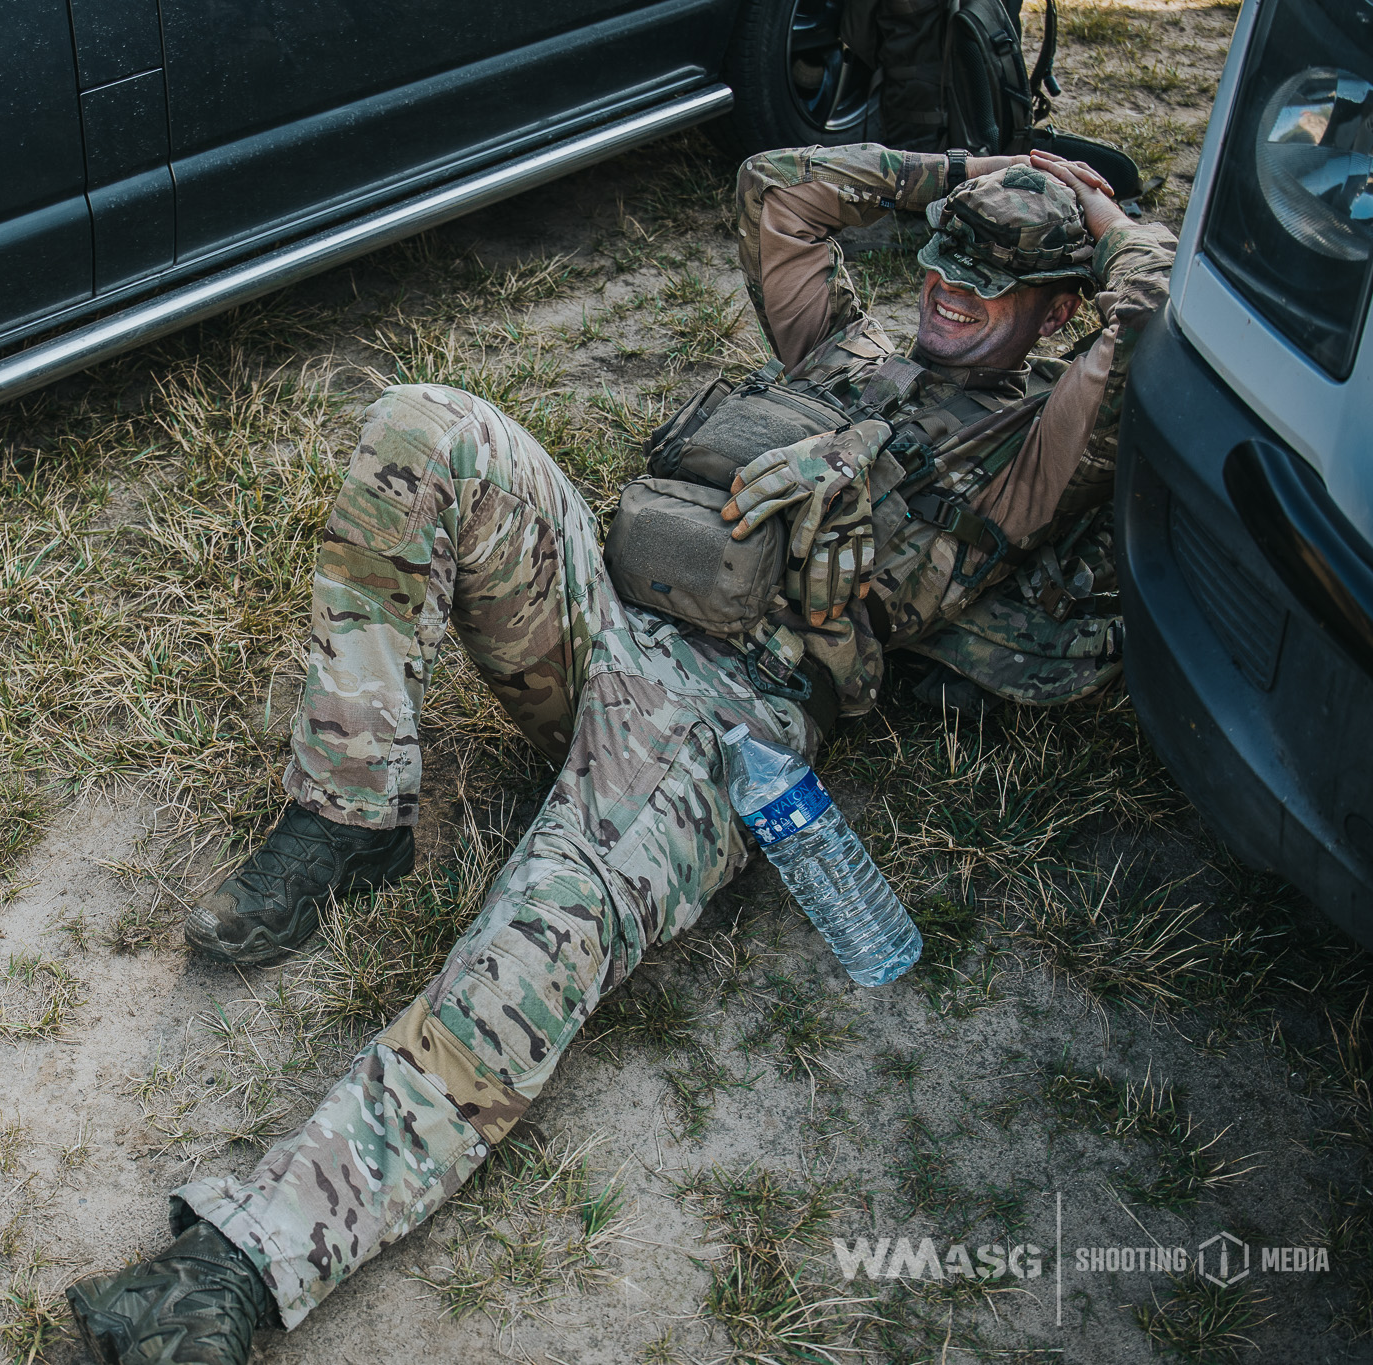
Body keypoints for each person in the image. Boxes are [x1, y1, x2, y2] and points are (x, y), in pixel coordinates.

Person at [64, 143, 1175, 1365]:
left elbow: (1152, 306)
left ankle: (241, 1264)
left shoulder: (1030, 451)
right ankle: (349, 817)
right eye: (943, 264)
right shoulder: (845, 348)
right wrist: (955, 167)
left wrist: (1097, 214)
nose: (950, 293)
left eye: (993, 284)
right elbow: (776, 184)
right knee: (426, 425)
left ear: (1061, 310)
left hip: (718, 721)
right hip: (602, 612)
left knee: (539, 941)